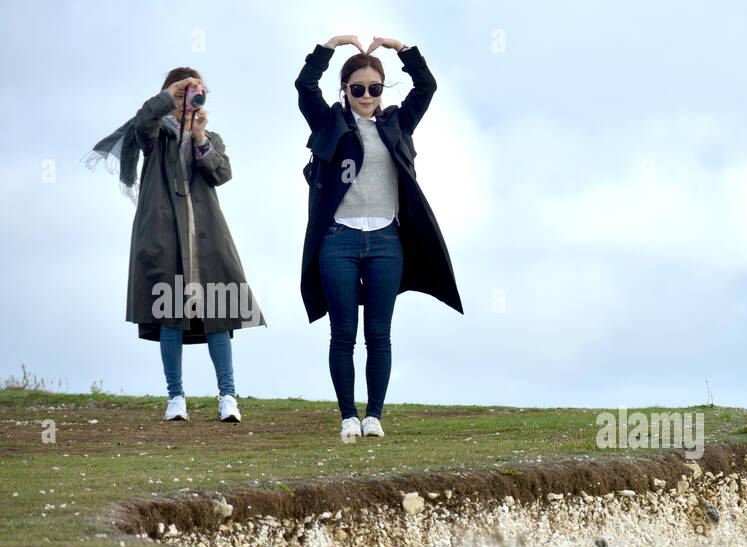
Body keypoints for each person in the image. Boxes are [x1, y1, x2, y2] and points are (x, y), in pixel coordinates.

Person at [295, 35, 464, 440]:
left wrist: (403, 50)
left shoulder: (397, 123)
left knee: (379, 334)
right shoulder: (328, 122)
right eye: (358, 89)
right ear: (345, 91)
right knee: (342, 333)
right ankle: (348, 418)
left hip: (387, 242)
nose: (367, 95)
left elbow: (427, 87)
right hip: (338, 240)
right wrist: (328, 47)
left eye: (374, 88)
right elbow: (304, 87)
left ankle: (374, 417)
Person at [85, 68, 265, 422]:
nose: (188, 102)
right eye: (182, 95)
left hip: (207, 240)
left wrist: (198, 136)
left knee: (218, 315)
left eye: (196, 94)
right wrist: (170, 96)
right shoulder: (155, 136)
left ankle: (228, 397)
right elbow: (141, 124)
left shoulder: (210, 137)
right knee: (170, 317)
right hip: (165, 240)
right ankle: (175, 398)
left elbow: (221, 173)